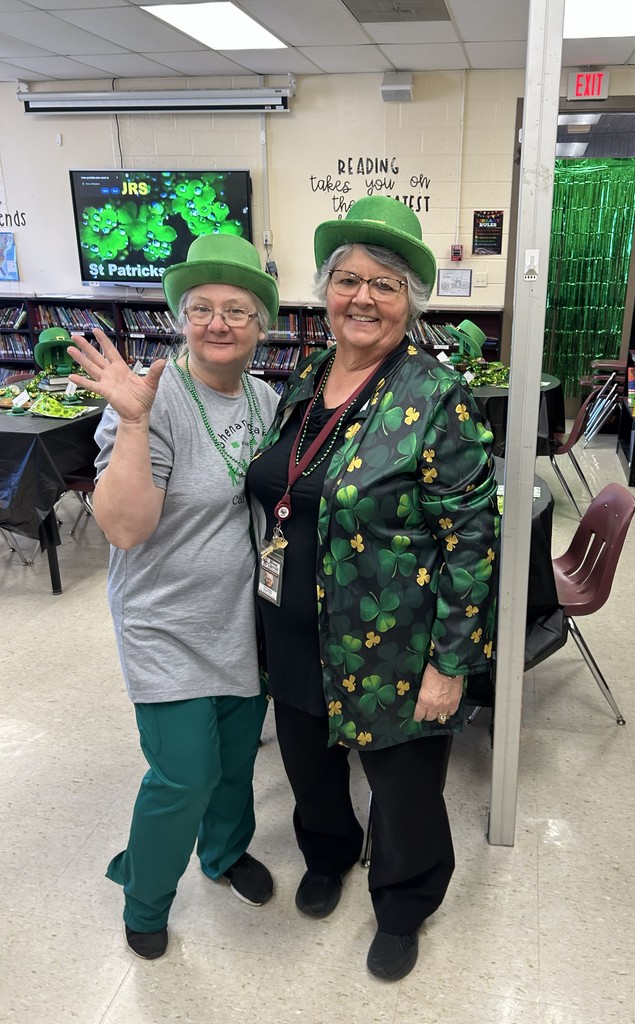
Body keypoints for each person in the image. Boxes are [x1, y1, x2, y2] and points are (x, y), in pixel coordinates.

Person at [246, 196, 499, 981]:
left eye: (386, 285)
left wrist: (450, 665)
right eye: (349, 279)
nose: (364, 297)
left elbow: (473, 539)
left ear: (410, 302)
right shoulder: (305, 374)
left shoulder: (435, 396)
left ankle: (405, 900)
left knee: (406, 786)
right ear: (325, 292)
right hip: (290, 625)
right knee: (308, 763)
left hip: (394, 638)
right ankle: (326, 852)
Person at [67, 234, 281, 961]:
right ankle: (146, 897)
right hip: (165, 622)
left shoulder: (266, 397)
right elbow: (124, 529)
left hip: (242, 620)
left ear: (261, 326)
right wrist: (129, 421)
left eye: (237, 310)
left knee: (232, 763)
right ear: (180, 318)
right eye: (201, 308)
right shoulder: (152, 401)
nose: (219, 323)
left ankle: (223, 855)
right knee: (183, 775)